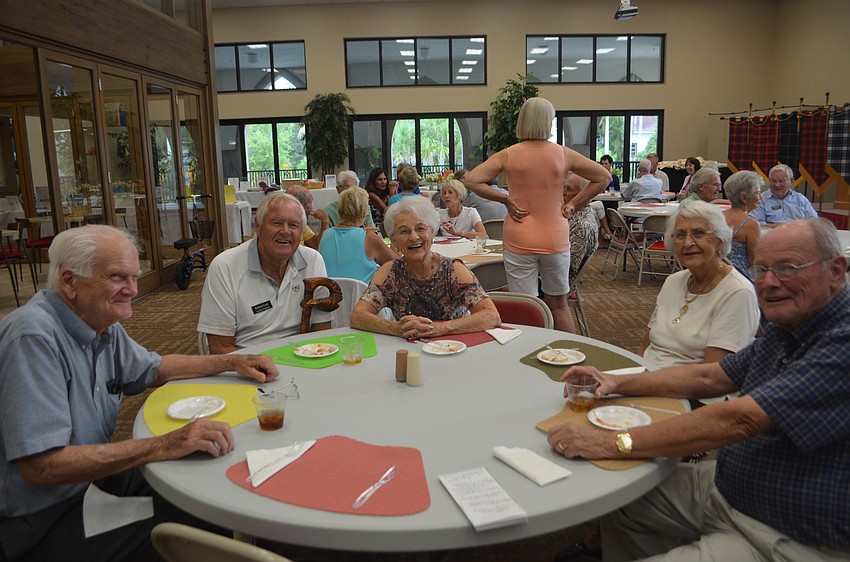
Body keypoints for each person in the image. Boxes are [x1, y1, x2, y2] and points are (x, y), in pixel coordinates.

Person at [547, 218, 850, 562]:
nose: (768, 282)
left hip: (786, 532)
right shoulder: (793, 324)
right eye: (761, 269)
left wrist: (612, 443)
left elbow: (739, 420)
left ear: (837, 270)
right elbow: (713, 377)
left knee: (616, 472)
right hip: (728, 488)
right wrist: (615, 381)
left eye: (788, 268)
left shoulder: (841, 340)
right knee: (620, 496)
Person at [0, 225, 278, 562]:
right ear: (69, 281)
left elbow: (156, 368)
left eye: (135, 277)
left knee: (202, 481)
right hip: (41, 520)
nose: (132, 290)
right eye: (118, 278)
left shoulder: (98, 324)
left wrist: (232, 361)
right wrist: (164, 444)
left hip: (89, 481)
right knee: (191, 533)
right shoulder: (33, 338)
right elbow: (41, 466)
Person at [462, 97, 610, 333]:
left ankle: (527, 356)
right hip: (555, 237)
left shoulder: (508, 154)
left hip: (520, 236)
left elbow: (471, 180)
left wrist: (506, 199)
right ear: (548, 122)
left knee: (526, 305)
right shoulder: (563, 154)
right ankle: (567, 357)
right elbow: (604, 177)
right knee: (559, 305)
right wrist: (573, 204)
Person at [640, 201, 759, 404]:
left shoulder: (737, 292)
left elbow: (711, 378)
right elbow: (645, 346)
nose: (687, 243)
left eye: (698, 233)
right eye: (680, 235)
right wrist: (635, 377)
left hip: (696, 398)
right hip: (649, 382)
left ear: (720, 240)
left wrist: (639, 386)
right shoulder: (673, 281)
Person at [350, 196, 500, 339]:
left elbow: (491, 316)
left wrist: (439, 328)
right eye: (404, 231)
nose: (414, 237)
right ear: (394, 241)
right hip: (408, 351)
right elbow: (358, 316)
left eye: (420, 228)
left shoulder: (453, 270)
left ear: (432, 233)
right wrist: (395, 328)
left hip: (452, 349)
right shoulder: (390, 273)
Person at [198, 192, 332, 353]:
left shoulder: (313, 261)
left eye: (294, 225)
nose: (285, 231)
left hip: (303, 357)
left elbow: (322, 330)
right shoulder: (224, 267)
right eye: (276, 223)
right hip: (246, 363)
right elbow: (221, 347)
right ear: (258, 227)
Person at [317, 186, 396, 284]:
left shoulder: (326, 235)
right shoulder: (369, 238)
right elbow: (399, 265)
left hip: (331, 296)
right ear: (364, 211)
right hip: (361, 297)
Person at [722, 170, 763, 279]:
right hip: (739, 278)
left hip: (717, 275)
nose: (761, 197)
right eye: (758, 193)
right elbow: (754, 262)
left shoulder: (718, 216)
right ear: (744, 198)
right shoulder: (751, 224)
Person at [750, 163, 818, 228]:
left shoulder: (800, 199)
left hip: (798, 236)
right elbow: (756, 224)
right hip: (772, 236)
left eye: (781, 181)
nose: (777, 185)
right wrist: (784, 227)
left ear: (791, 181)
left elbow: (814, 222)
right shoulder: (761, 199)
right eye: (773, 181)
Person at [563, 174, 599, 289]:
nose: (563, 193)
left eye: (568, 189)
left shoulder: (582, 226)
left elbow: (568, 267)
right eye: (563, 188)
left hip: (556, 284)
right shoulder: (574, 215)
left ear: (584, 195)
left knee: (508, 287)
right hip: (552, 276)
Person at [285, 184, 330, 250]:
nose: (312, 208)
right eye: (310, 202)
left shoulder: (301, 223)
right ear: (301, 204)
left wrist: (325, 223)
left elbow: (316, 244)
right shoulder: (286, 226)